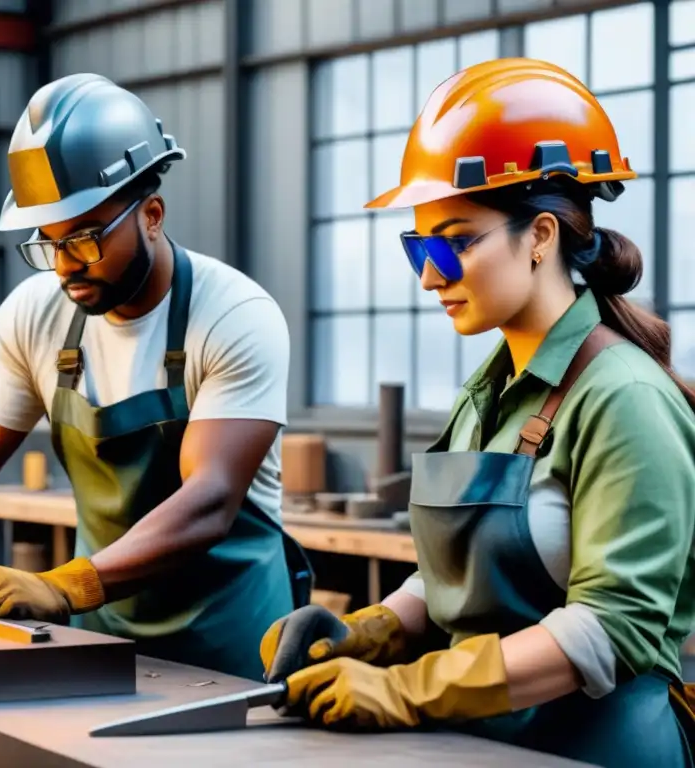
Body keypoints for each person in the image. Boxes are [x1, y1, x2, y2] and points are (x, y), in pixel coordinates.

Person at [259, 58, 695, 767]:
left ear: (542, 237)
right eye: (419, 245)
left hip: (597, 750)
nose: (431, 274)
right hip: (481, 747)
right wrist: (369, 631)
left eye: (457, 241)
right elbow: (450, 581)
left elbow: (610, 630)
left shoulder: (626, 399)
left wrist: (410, 688)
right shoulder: (483, 396)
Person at [0, 73, 311, 681]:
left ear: (151, 214)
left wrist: (67, 585)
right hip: (103, 642)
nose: (66, 266)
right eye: (49, 243)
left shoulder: (234, 316)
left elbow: (209, 501)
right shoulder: (33, 316)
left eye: (86, 239)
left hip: (231, 648)